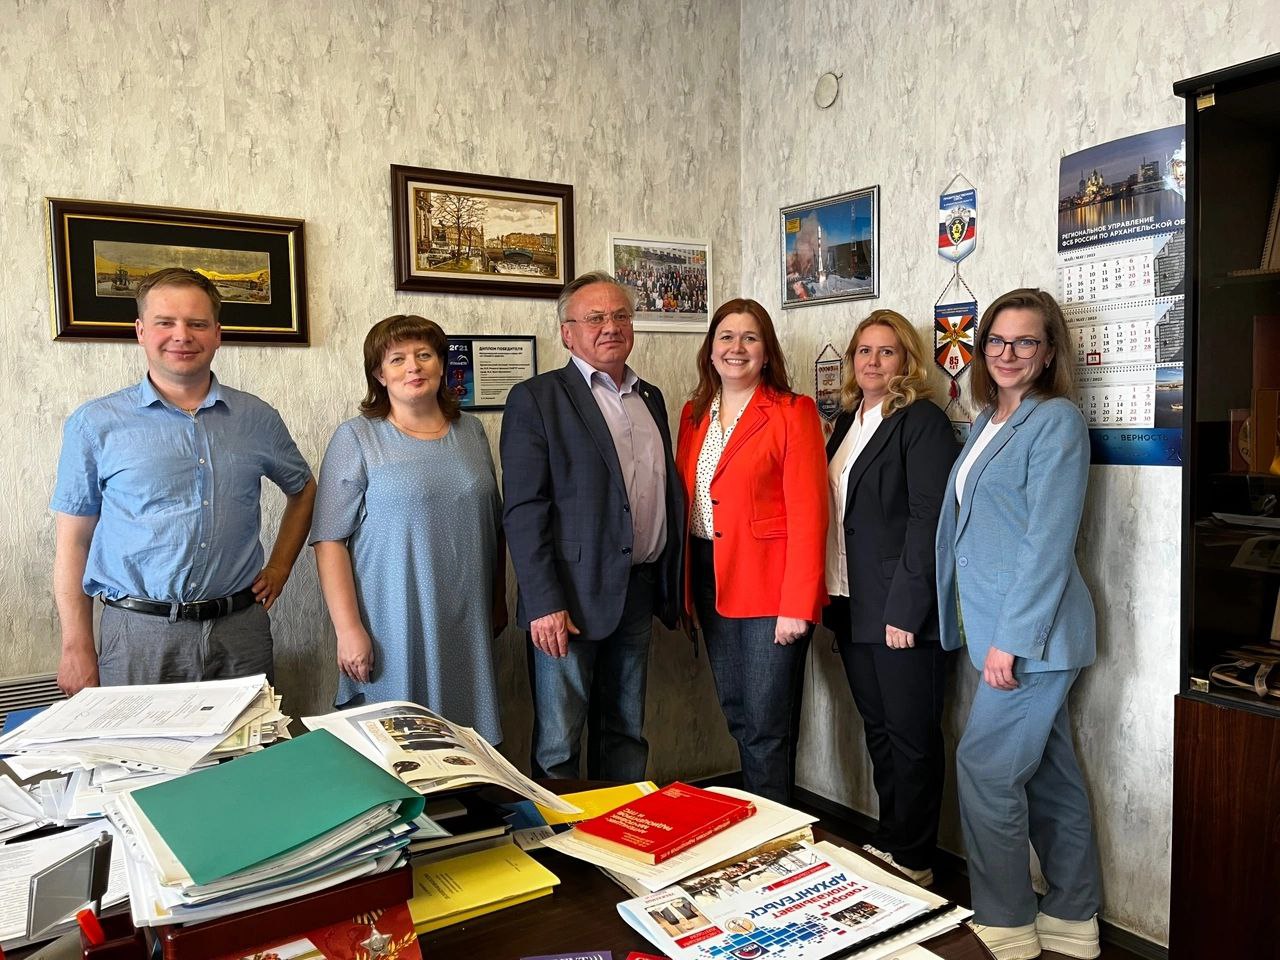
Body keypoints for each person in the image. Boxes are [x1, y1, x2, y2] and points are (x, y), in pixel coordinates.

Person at [51, 267, 316, 694]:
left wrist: (280, 567)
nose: (182, 335)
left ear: (217, 334)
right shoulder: (95, 424)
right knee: (138, 741)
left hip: (241, 632)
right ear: (141, 331)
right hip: (138, 636)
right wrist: (75, 646)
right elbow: (73, 542)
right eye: (165, 322)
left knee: (251, 741)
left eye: (197, 323)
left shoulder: (257, 418)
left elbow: (302, 489)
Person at [935, 288, 1102, 960]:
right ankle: (1073, 916)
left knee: (984, 768)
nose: (1008, 353)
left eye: (1025, 341)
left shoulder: (1056, 421)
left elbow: (1047, 542)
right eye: (997, 341)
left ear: (1049, 351)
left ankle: (1006, 924)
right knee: (1050, 775)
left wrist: (1010, 640)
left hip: (1034, 638)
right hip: (1000, 632)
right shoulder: (988, 419)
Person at [500, 270, 683, 780]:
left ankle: (621, 827)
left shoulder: (651, 398)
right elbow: (524, 509)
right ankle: (560, 833)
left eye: (621, 315)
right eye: (595, 318)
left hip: (637, 590)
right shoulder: (536, 398)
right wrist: (544, 603)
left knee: (626, 732)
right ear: (568, 333)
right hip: (569, 599)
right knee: (560, 743)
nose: (611, 326)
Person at [310, 315, 505, 745]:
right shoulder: (357, 438)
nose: (413, 367)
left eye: (424, 355)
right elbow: (329, 540)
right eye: (397, 359)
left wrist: (497, 600)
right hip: (392, 624)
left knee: (464, 751)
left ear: (441, 364)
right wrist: (348, 630)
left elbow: (492, 521)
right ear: (379, 375)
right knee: (396, 750)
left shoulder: (472, 432)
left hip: (465, 624)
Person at [823, 310, 958, 887]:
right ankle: (893, 838)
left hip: (901, 610)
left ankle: (917, 858)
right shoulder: (846, 422)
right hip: (850, 601)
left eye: (887, 351)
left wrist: (907, 608)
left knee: (912, 735)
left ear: (907, 360)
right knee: (879, 729)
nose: (873, 361)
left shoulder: (921, 420)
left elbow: (930, 520)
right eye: (864, 351)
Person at [675, 298, 827, 803]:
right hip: (709, 577)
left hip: (770, 587)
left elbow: (809, 513)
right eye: (726, 336)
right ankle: (762, 822)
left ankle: (775, 837)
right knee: (738, 712)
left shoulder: (792, 412)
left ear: (766, 352)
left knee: (766, 722)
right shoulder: (694, 415)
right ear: (710, 349)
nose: (736, 347)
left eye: (749, 337)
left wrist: (797, 604)